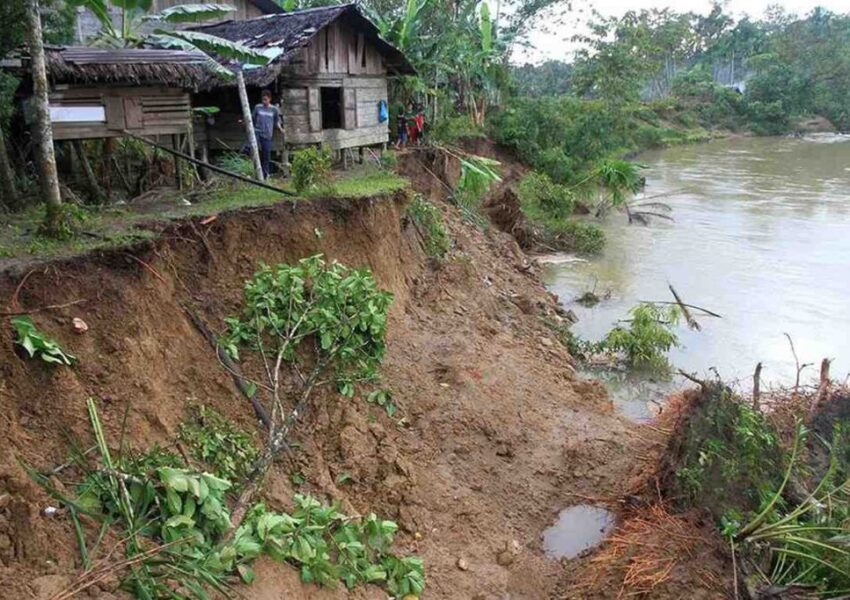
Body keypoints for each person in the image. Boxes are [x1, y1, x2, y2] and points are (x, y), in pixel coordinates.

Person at [252, 89, 284, 179]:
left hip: (268, 135)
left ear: (269, 99)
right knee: (254, 151)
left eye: (266, 99)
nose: (264, 101)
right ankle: (256, 173)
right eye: (263, 100)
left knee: (266, 156)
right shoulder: (257, 107)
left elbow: (276, 122)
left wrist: (281, 129)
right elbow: (252, 118)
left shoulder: (274, 109)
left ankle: (265, 175)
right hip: (257, 132)